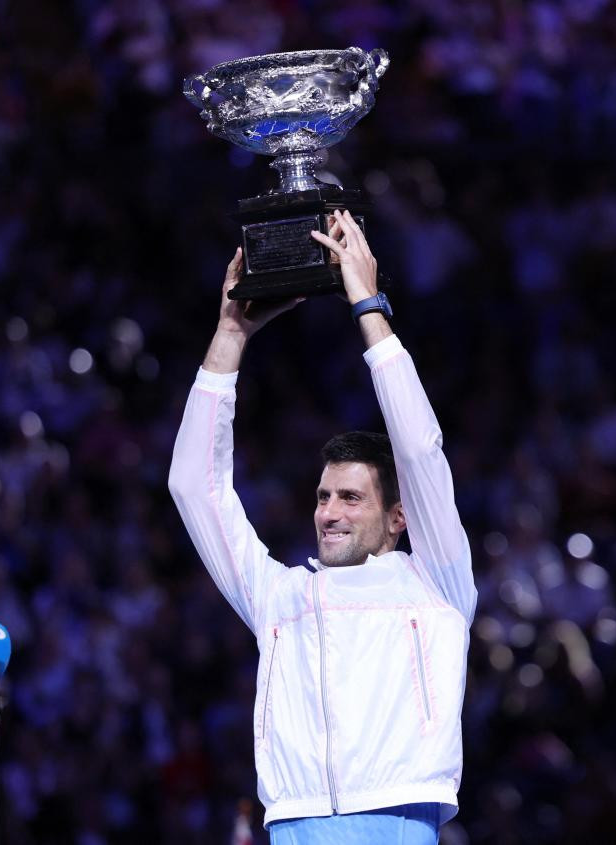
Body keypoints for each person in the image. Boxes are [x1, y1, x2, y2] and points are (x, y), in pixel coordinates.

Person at [169, 210, 477, 843]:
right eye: (323, 497)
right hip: (292, 822)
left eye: (351, 499)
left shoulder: (437, 584)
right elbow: (192, 488)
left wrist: (367, 303)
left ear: (399, 517)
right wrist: (230, 334)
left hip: (395, 818)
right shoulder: (280, 597)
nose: (330, 512)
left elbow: (418, 450)